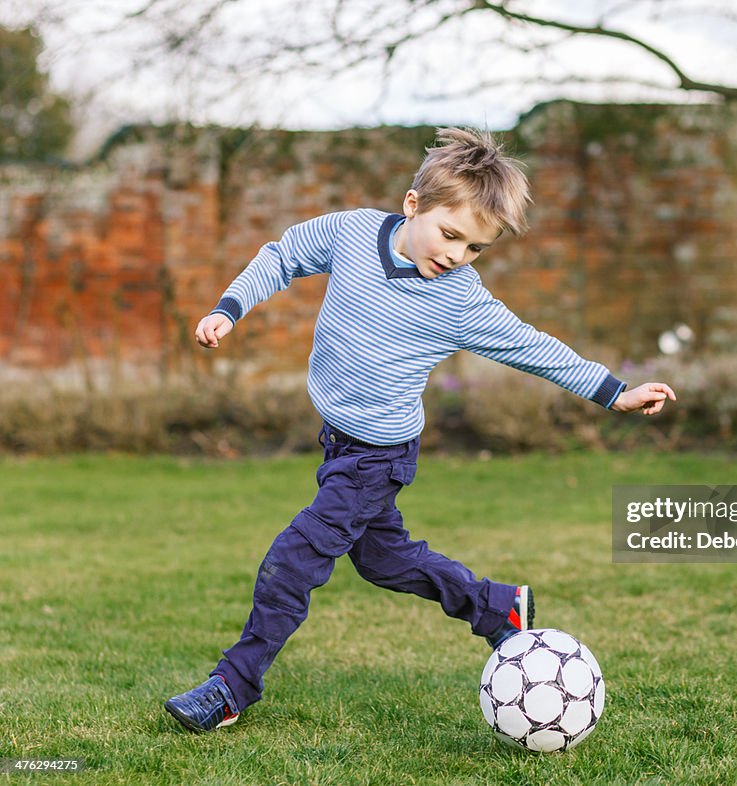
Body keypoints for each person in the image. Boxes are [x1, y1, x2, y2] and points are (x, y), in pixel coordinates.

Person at [163, 127, 676, 733]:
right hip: (340, 441)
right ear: (413, 205)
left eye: (476, 248)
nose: (458, 255)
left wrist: (614, 391)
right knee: (382, 560)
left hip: (377, 457)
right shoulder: (350, 234)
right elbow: (281, 255)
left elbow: (531, 346)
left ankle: (233, 685)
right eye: (451, 234)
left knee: (294, 557)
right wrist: (229, 308)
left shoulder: (460, 298)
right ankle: (497, 607)